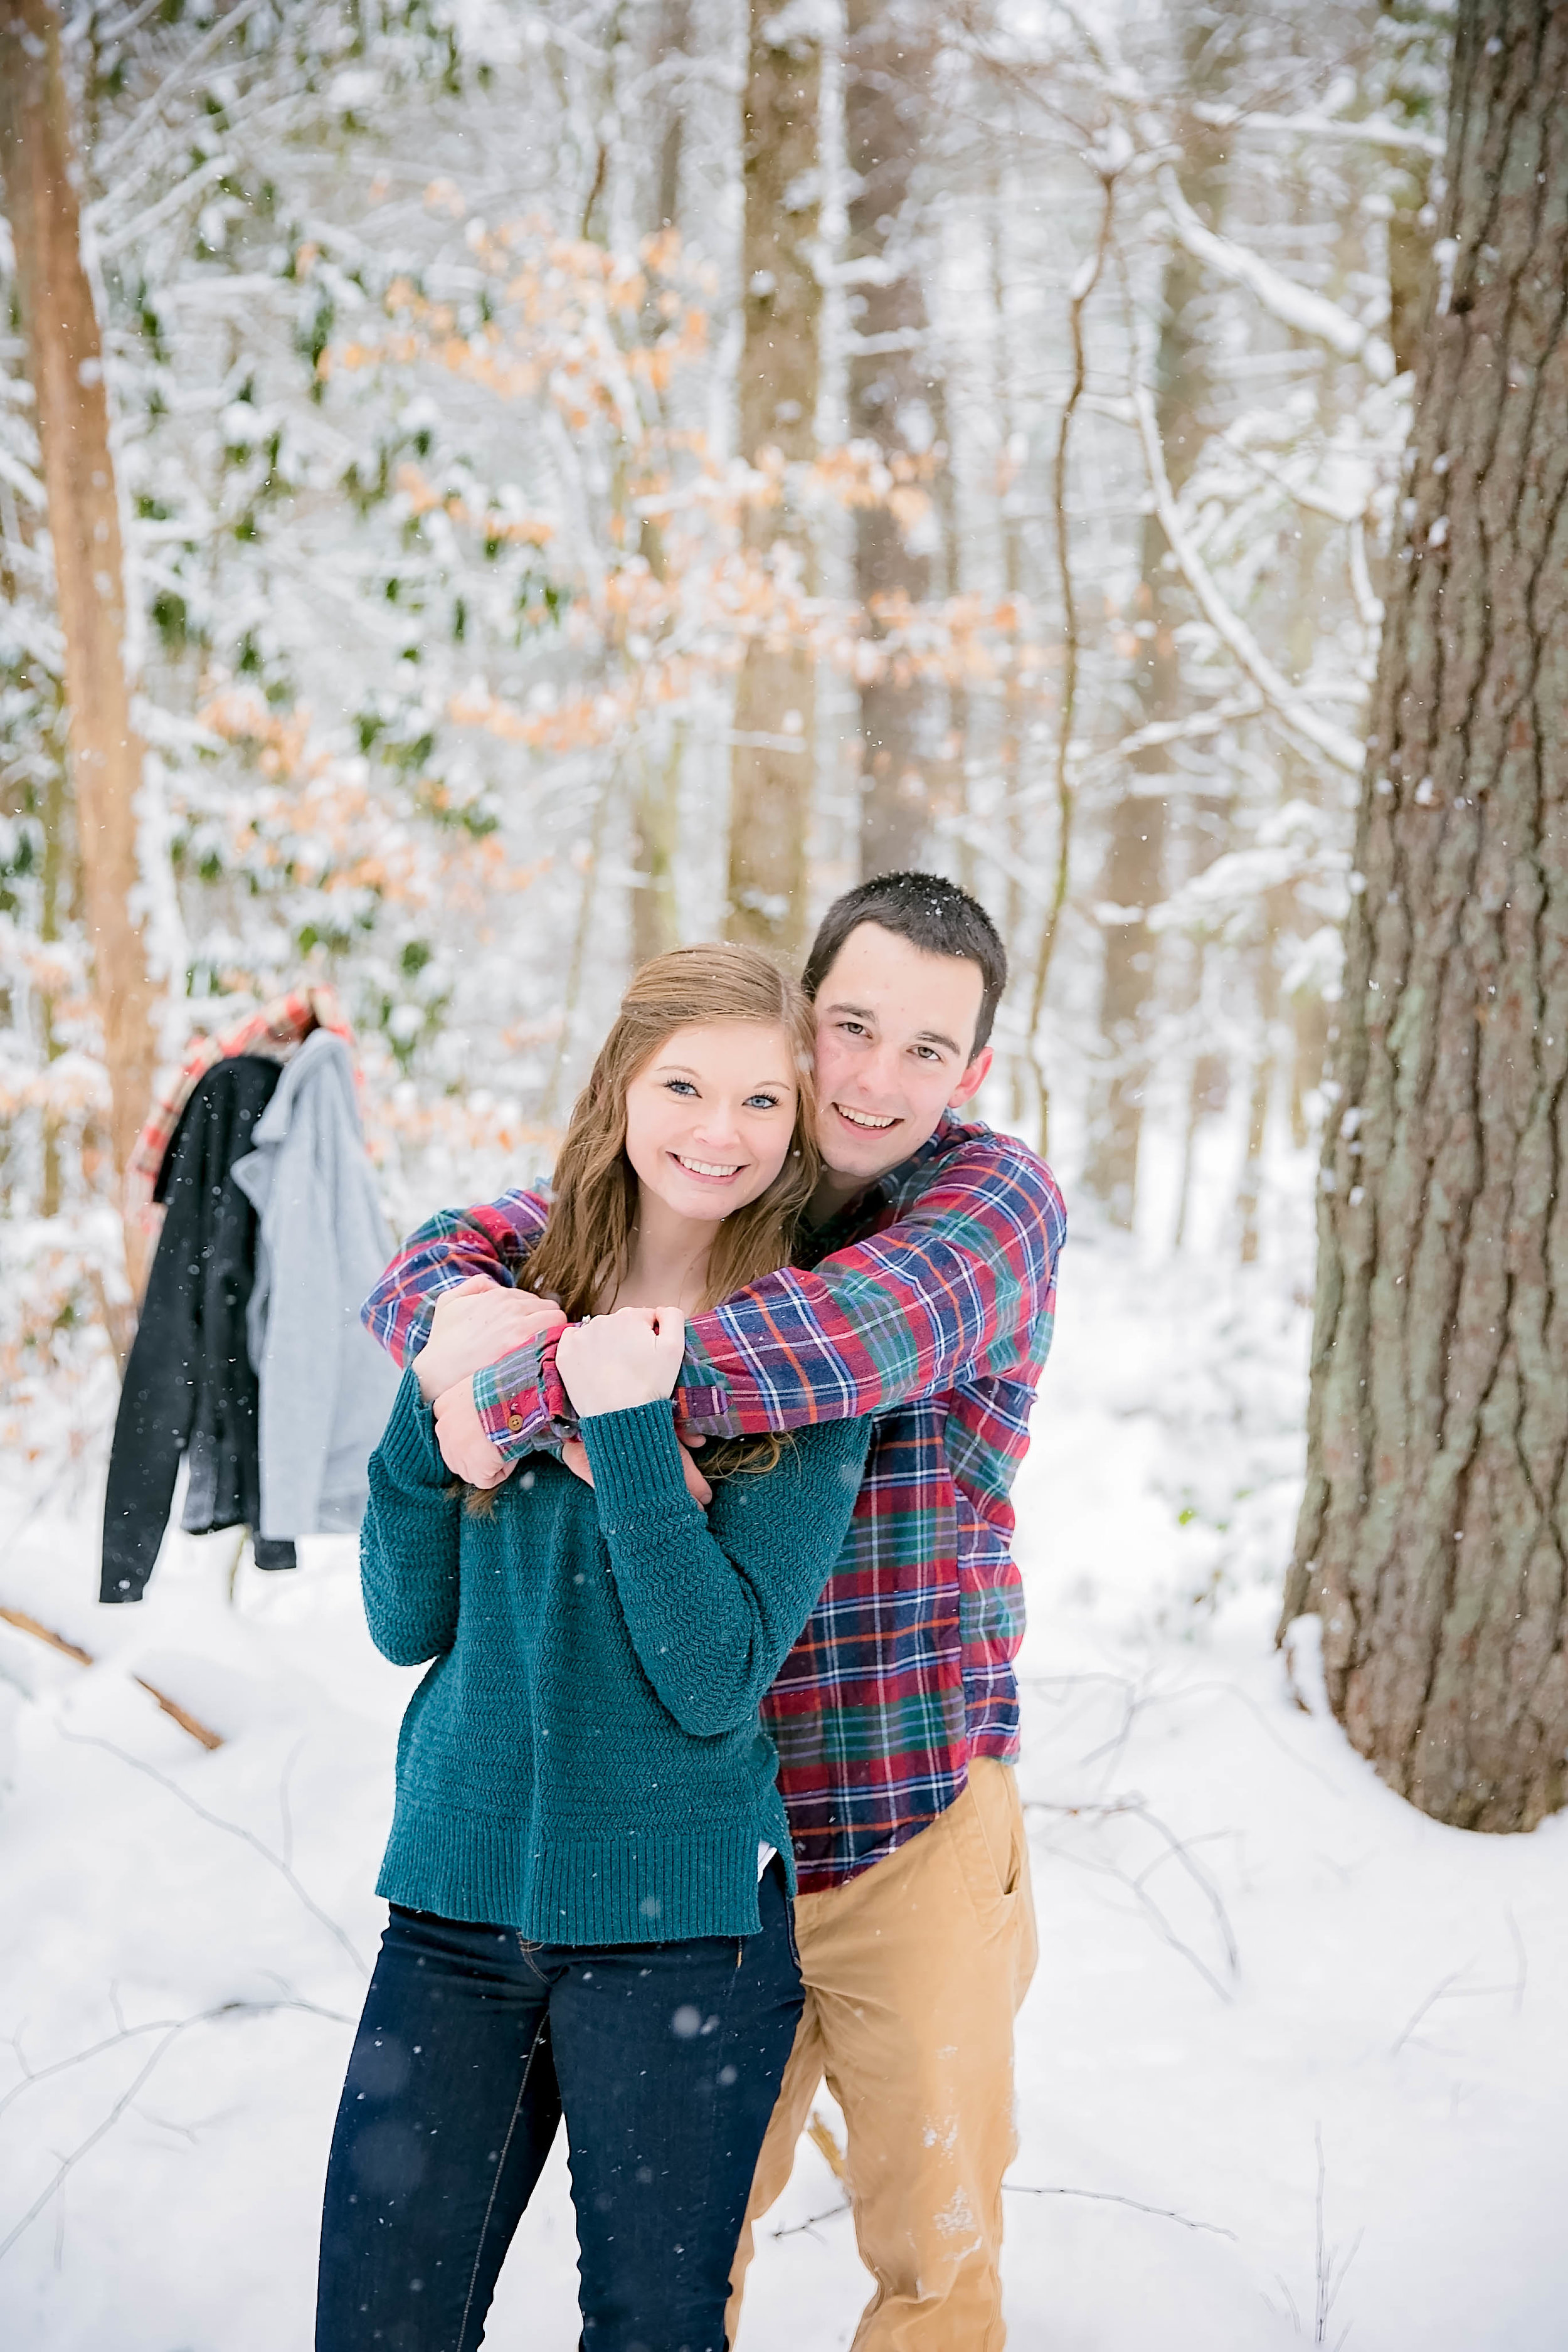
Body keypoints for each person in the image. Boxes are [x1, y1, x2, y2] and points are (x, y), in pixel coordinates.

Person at [364, 872, 1067, 2351]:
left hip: (896, 1811)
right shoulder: (729, 1162)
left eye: (926, 1050)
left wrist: (516, 1392)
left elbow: (815, 1345)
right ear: (797, 1024)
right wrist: (461, 1364)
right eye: (850, 1029)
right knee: (686, 2280)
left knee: (931, 2262)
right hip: (699, 1845)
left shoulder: (983, 1207)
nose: (878, 1080)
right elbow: (441, 1264)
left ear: (975, 1070)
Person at [317, 945, 871, 2352]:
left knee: (647, 2328)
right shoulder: (499, 1297)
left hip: (678, 1926)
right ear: (619, 1089)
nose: (716, 1129)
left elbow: (712, 1675)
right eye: (683, 1084)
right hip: (451, 1903)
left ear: (797, 1125)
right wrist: (435, 1417)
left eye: (760, 1100)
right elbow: (403, 1622)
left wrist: (625, 1425)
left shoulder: (804, 1352)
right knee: (381, 2322)